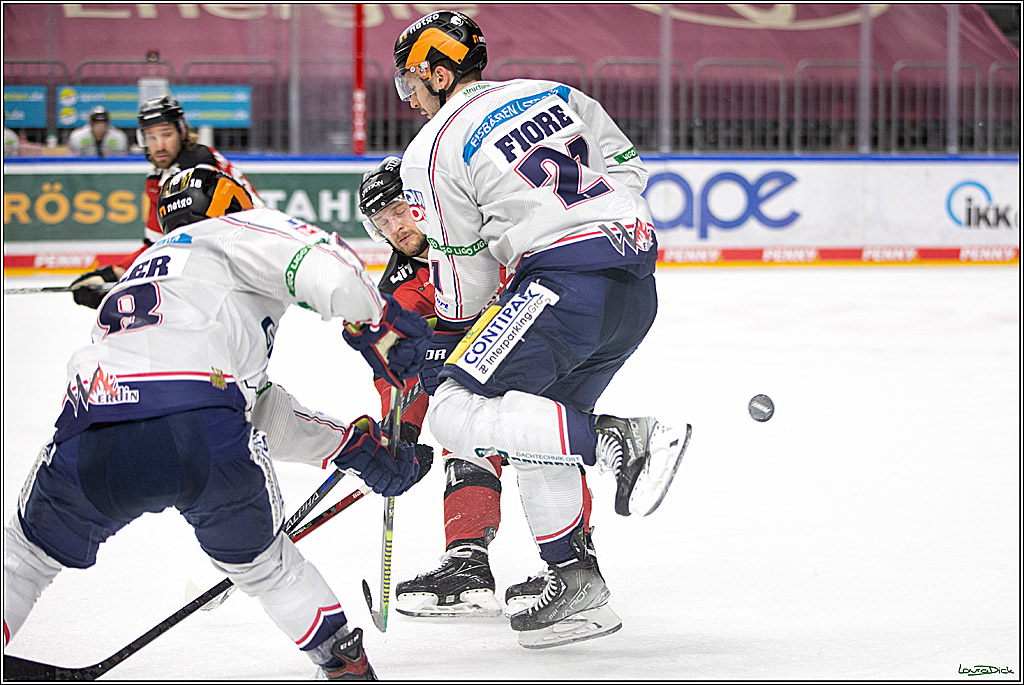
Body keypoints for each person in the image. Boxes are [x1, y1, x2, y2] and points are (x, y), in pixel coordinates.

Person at [3, 165, 433, 680]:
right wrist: (378, 326)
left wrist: (349, 446)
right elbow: (329, 268)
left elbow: (255, 405)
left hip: (91, 424)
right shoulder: (244, 229)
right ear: (235, 204)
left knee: (23, 558)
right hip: (201, 428)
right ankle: (343, 663)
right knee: (266, 567)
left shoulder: (147, 265)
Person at [391, 10, 692, 648]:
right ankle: (576, 587)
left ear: (441, 74)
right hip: (634, 280)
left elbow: (462, 264)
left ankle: (621, 439)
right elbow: (627, 164)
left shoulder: (433, 147)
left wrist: (452, 338)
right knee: (536, 422)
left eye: (410, 83)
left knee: (455, 407)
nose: (409, 97)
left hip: (562, 287)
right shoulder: (552, 93)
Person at [357, 157, 596, 617]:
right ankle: (467, 560)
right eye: (382, 222)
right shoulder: (403, 280)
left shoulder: (479, 231)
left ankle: (575, 563)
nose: (395, 227)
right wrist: (399, 429)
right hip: (484, 364)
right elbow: (396, 360)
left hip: (545, 345)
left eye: (399, 210)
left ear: (423, 204)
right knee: (462, 434)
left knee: (542, 439)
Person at [68, 95, 261, 309]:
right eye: (151, 137)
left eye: (166, 135)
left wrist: (123, 288)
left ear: (182, 131)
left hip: (250, 255)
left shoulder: (198, 163)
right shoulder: (156, 182)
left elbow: (193, 248)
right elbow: (155, 246)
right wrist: (111, 274)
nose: (159, 146)